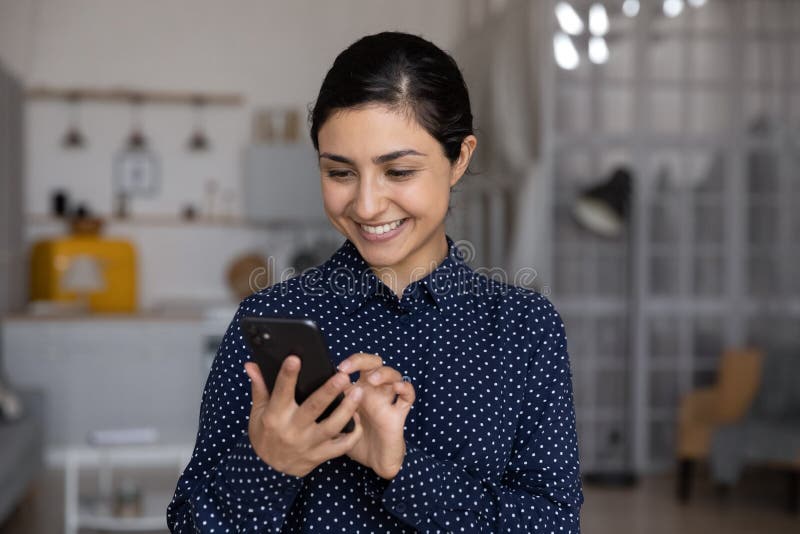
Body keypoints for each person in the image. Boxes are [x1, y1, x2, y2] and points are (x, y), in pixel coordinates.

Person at [167, 31, 583, 533]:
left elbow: (554, 525)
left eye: (399, 171)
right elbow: (190, 523)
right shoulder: (272, 319)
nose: (366, 206)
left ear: (461, 158)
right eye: (340, 173)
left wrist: (401, 467)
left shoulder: (525, 329)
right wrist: (270, 464)